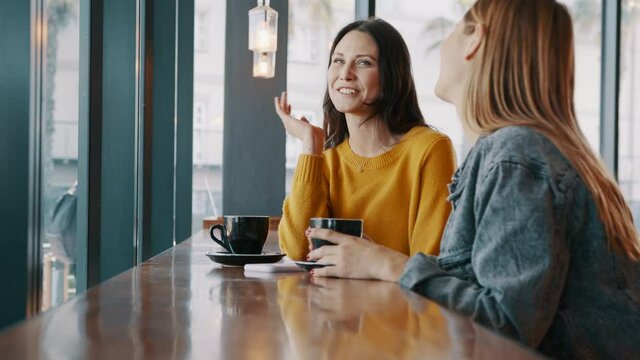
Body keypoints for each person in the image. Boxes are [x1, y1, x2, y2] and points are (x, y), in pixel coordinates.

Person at [306, 0, 640, 358]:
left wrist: (387, 264)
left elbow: (505, 326)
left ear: (475, 39)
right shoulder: (507, 151)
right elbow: (479, 283)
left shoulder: (517, 157)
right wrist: (375, 259)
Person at [275, 19, 456, 261]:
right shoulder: (326, 161)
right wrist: (310, 144)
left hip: (400, 300)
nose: (344, 74)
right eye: (338, 60)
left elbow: (428, 266)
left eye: (363, 63)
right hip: (329, 299)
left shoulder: (430, 149)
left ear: (391, 75)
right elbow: (297, 251)